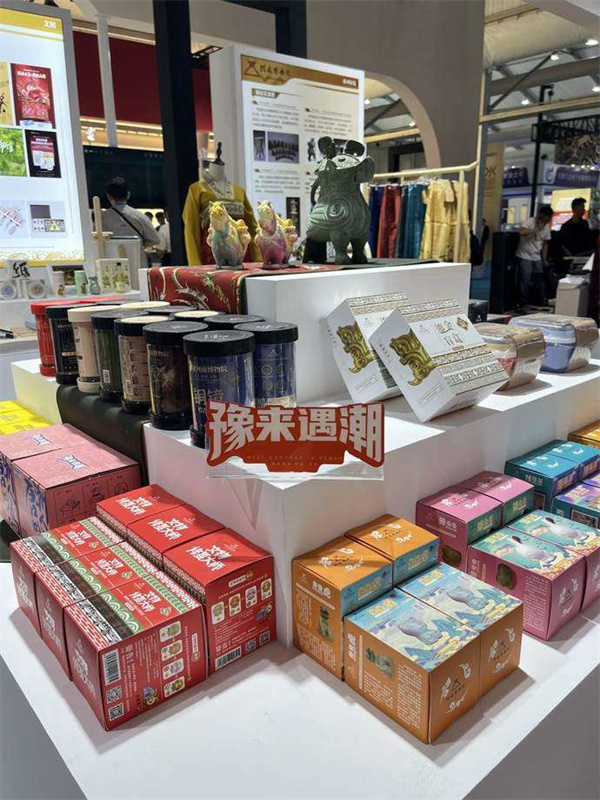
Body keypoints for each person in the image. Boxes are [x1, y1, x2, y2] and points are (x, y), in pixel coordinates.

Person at [102, 178, 159, 267]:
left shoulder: (101, 218)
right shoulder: (140, 216)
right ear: (128, 195)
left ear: (109, 196)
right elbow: (155, 239)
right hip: (138, 263)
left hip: (111, 266)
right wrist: (139, 243)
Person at [516, 205, 553, 307]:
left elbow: (545, 244)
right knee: (525, 279)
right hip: (524, 255)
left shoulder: (546, 227)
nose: (546, 221)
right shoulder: (529, 222)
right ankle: (522, 302)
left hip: (536, 257)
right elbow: (521, 232)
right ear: (541, 215)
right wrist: (536, 229)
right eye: (546, 219)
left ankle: (536, 300)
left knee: (538, 279)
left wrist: (544, 258)